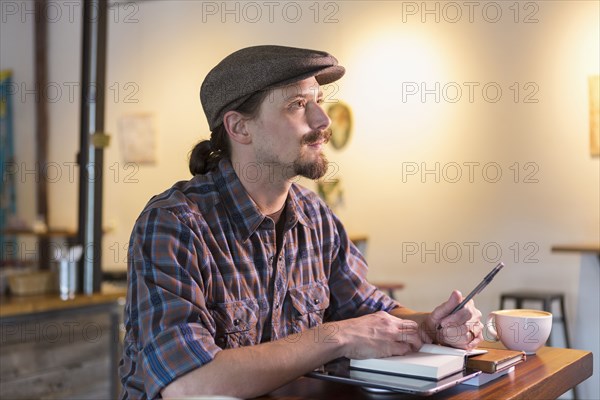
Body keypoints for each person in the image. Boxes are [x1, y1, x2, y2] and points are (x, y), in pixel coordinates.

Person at [119, 45, 483, 399]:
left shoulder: (315, 216)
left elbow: (372, 313)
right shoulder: (174, 224)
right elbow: (189, 384)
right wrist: (336, 337)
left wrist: (432, 326)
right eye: (297, 105)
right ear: (240, 128)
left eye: (318, 102)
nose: (323, 121)